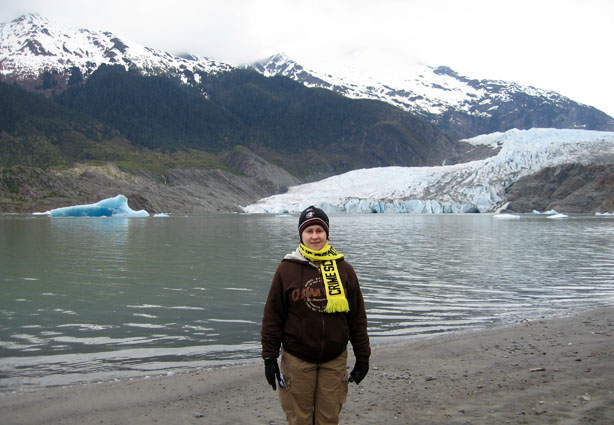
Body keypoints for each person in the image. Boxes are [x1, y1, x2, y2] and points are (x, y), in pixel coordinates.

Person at [261, 205, 370, 425]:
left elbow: (357, 318)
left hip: (334, 360)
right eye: (309, 231)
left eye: (319, 231)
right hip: (297, 359)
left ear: (326, 233)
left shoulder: (344, 269)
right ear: (301, 234)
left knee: (328, 419)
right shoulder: (286, 269)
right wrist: (269, 358)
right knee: (299, 419)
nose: (314, 236)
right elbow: (273, 317)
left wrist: (363, 356)